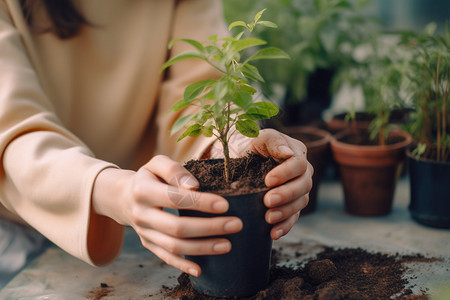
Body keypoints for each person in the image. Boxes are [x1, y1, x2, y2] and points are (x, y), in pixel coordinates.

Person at [0, 0, 313, 287]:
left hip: (148, 214)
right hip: (17, 226)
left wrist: (238, 143)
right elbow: (13, 129)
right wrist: (112, 190)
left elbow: (199, 87)